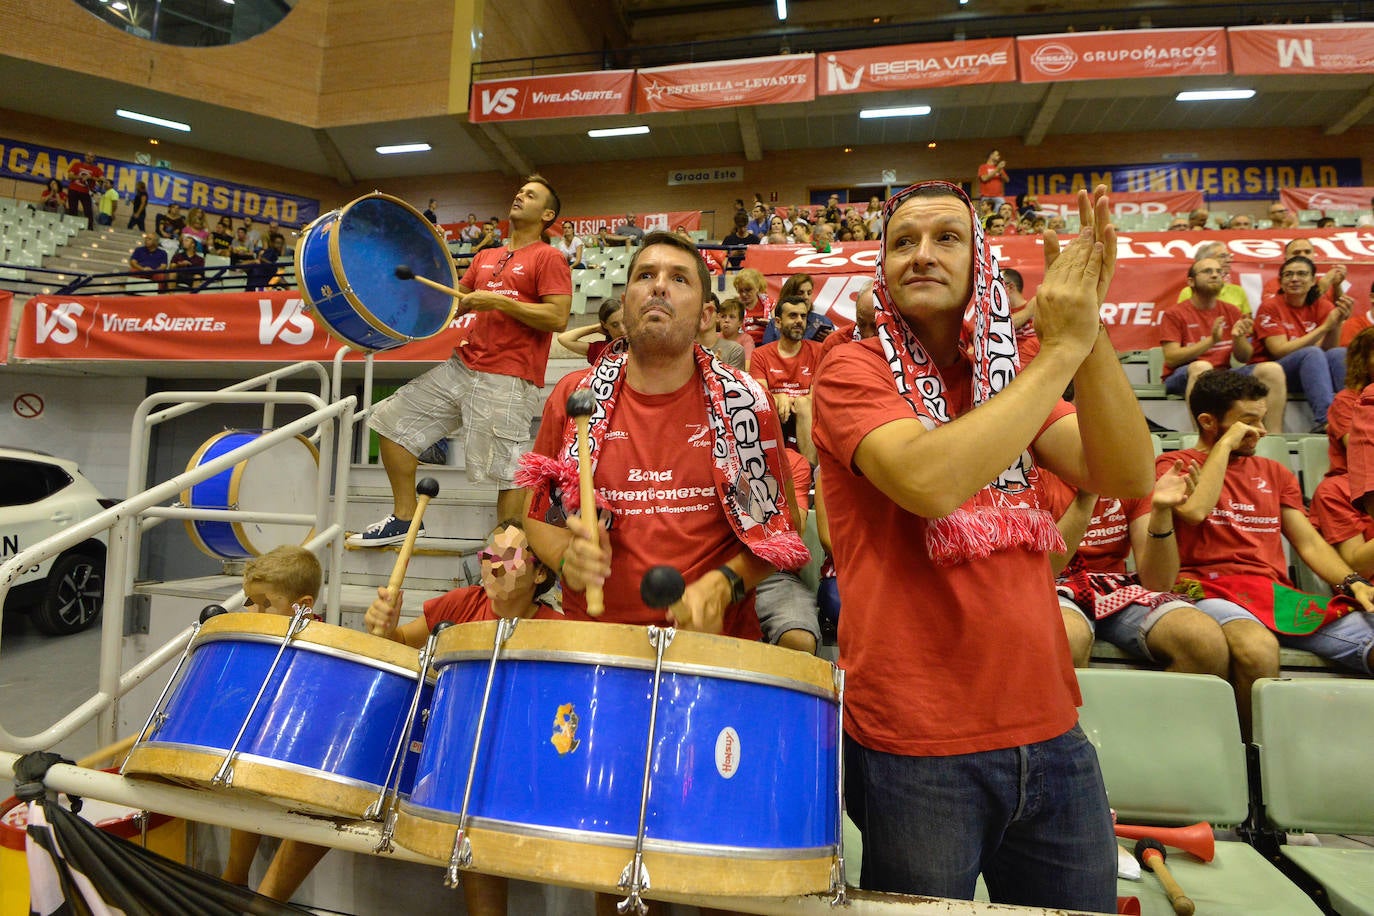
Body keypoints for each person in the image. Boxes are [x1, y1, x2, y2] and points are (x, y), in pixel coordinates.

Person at [812, 182, 1153, 912]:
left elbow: (1125, 473)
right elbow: (930, 482)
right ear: (880, 268)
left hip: (1054, 732)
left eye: (946, 238)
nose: (923, 255)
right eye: (903, 241)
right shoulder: (851, 367)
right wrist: (1057, 352)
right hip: (918, 748)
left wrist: (1085, 336)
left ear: (981, 262)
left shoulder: (1011, 371)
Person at [522, 228, 807, 640]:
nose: (658, 286)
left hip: (712, 650)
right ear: (625, 305)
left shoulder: (746, 400)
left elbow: (782, 530)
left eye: (678, 278)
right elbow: (540, 519)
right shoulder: (574, 397)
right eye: (644, 276)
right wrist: (568, 559)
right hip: (595, 648)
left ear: (706, 315)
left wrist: (725, 584)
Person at [357, 176, 572, 544]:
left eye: (531, 195)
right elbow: (456, 302)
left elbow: (557, 317)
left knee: (508, 471)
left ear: (547, 214)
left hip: (509, 375)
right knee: (389, 422)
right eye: (519, 191)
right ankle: (406, 517)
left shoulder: (548, 257)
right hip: (462, 365)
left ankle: (508, 554)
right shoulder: (485, 257)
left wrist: (499, 302)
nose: (519, 195)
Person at [1162, 370, 1374, 734]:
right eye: (1248, 421)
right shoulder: (1175, 465)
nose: (1261, 430)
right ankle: (1253, 761)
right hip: (1205, 590)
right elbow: (1195, 511)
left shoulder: (1274, 472)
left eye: (1262, 418)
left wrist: (1352, 582)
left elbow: (1307, 542)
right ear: (1209, 422)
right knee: (1257, 650)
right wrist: (1224, 446)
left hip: (1272, 594)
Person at [1043, 461, 1231, 679]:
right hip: (1056, 584)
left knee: (1204, 640)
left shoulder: (1128, 478)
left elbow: (1158, 583)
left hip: (1116, 587)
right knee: (1066, 639)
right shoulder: (1034, 477)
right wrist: (1088, 496)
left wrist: (1161, 511)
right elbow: (1046, 571)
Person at [221, 546, 335, 902]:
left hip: (308, 763)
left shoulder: (326, 646)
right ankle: (233, 880)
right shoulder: (258, 640)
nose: (255, 612)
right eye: (250, 602)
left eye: (265, 603)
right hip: (261, 755)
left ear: (303, 605)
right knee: (241, 772)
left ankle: (264, 898)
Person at [1158, 256, 1288, 427]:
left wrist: (1238, 338)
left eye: (1218, 272)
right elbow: (1172, 357)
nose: (1215, 275)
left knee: (1272, 369)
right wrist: (1211, 341)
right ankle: (1201, 438)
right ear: (1191, 281)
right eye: (1207, 271)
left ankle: (1273, 437)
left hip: (1223, 375)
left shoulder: (1231, 311)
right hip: (1182, 376)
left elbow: (1244, 357)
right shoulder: (1174, 313)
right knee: (1202, 367)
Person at [1249, 254, 1351, 433]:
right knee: (1311, 353)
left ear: (1313, 281)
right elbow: (1278, 350)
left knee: (1338, 354)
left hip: (1308, 372)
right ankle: (1326, 420)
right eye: (1288, 275)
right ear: (1281, 282)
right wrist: (1323, 328)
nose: (1294, 279)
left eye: (1301, 274)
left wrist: (1336, 324)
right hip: (1270, 373)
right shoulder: (1270, 306)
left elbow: (1329, 349)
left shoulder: (1323, 305)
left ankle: (1354, 416)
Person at [750, 295, 824, 463]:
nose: (799, 321)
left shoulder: (818, 351)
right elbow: (759, 396)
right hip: (775, 415)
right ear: (777, 322)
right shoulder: (760, 354)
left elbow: (816, 395)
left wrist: (790, 399)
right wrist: (778, 398)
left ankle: (810, 471)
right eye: (792, 316)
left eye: (803, 316)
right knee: (770, 402)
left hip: (806, 415)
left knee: (804, 404)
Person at [556, 298, 624, 363]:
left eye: (625, 322)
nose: (622, 330)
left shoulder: (634, 348)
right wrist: (596, 328)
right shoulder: (601, 349)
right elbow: (563, 339)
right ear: (604, 325)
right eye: (614, 325)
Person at [65, 151, 103, 230]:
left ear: (94, 159)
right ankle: (71, 228)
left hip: (86, 192)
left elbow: (102, 180)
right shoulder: (77, 165)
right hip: (73, 190)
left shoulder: (97, 169)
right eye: (88, 155)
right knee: (72, 210)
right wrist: (80, 177)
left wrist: (90, 177)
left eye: (91, 156)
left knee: (88, 211)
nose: (89, 157)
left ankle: (89, 228)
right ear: (84, 156)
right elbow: (70, 175)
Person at [731, 267, 769, 343]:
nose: (744, 294)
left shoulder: (769, 303)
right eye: (741, 291)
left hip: (766, 343)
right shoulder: (734, 305)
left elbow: (777, 325)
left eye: (748, 290)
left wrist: (769, 323)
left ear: (757, 287)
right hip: (742, 345)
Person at [716, 296, 754, 369]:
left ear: (740, 322)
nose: (726, 320)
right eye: (723, 316)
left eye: (732, 317)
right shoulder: (714, 337)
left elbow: (747, 367)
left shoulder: (746, 339)